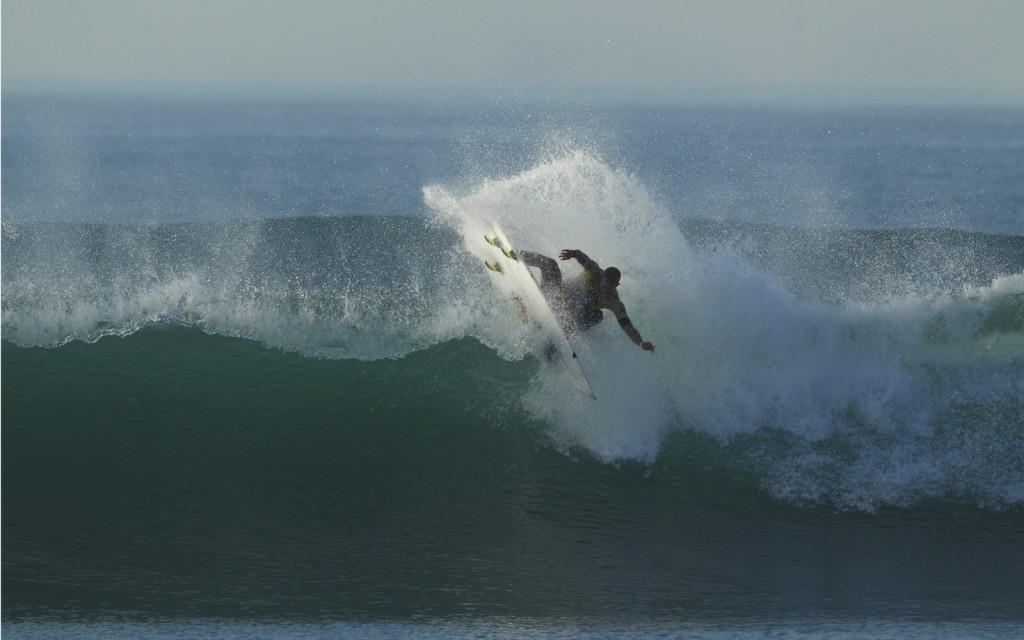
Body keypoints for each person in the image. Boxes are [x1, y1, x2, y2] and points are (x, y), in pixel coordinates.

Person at [519, 248, 654, 351]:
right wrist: (571, 254)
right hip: (555, 294)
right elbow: (580, 255)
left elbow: (628, 326)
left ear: (616, 285)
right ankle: (519, 255)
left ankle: (557, 340)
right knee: (550, 264)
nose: (606, 289)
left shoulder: (615, 302)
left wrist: (640, 342)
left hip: (568, 314)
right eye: (605, 284)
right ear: (602, 277)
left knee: (597, 316)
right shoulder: (594, 270)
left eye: (611, 286)